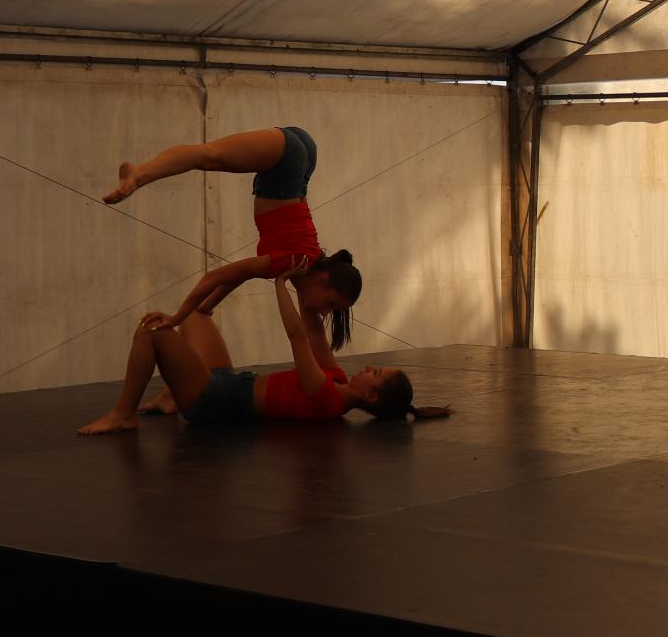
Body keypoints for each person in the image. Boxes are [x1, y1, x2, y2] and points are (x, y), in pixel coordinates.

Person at [76, 266, 442, 436]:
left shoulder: (327, 399)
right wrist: (302, 278)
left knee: (151, 332)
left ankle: (124, 413)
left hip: (214, 402)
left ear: (371, 395)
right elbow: (313, 328)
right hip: (229, 383)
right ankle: (172, 396)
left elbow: (298, 337)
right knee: (197, 315)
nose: (369, 367)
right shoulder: (336, 378)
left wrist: (280, 282)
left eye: (375, 374)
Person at [103, 127, 358, 343]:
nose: (324, 313)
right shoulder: (289, 264)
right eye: (331, 304)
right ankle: (138, 174)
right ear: (323, 279)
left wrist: (206, 307)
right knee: (209, 155)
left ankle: (139, 173)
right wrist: (177, 318)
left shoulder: (308, 260)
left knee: (210, 155)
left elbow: (238, 277)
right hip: (285, 166)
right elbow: (214, 277)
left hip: (302, 157)